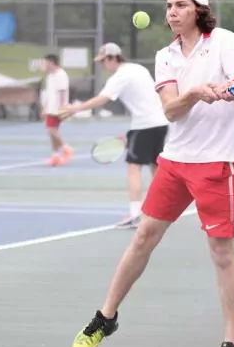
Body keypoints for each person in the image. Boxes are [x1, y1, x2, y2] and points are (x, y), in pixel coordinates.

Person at [71, 0, 234, 347]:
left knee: (222, 253)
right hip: (175, 162)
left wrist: (231, 91)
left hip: (216, 163)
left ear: (199, 10)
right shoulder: (165, 56)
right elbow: (171, 110)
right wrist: (197, 92)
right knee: (143, 237)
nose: (172, 12)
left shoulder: (227, 43)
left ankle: (232, 344)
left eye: (181, 5)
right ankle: (106, 317)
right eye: (169, 5)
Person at [59, 42, 169, 228]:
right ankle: (162, 210)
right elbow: (147, 100)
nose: (102, 65)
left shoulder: (120, 76)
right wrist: (131, 133)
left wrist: (76, 108)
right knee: (156, 167)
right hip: (161, 123)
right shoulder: (138, 69)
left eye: (103, 61)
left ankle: (135, 214)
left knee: (134, 168)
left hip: (145, 125)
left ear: (112, 58)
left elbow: (103, 99)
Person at [40, 54, 73, 166]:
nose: (44, 65)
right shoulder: (50, 76)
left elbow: (62, 91)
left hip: (57, 108)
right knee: (52, 132)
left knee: (51, 130)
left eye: (45, 63)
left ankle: (66, 148)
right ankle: (55, 156)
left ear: (51, 63)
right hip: (50, 108)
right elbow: (48, 94)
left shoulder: (61, 74)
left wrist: (62, 107)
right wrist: (45, 108)